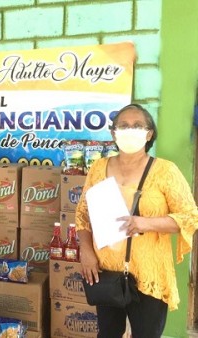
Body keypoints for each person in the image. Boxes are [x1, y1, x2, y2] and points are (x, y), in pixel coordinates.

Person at [76, 103, 198, 337]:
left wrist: (145, 223)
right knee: (108, 333)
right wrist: (86, 250)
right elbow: (83, 212)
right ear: (114, 133)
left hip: (149, 273)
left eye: (137, 125)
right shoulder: (99, 167)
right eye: (123, 126)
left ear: (149, 133)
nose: (129, 130)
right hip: (106, 271)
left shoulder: (165, 171)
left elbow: (189, 216)